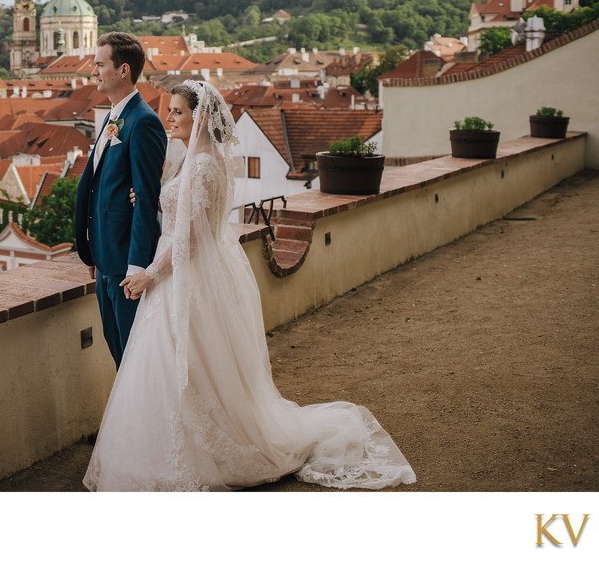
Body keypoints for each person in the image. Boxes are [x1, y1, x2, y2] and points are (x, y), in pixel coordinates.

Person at [84, 80, 416, 491]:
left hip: (185, 270)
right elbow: (182, 210)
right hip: (191, 267)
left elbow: (190, 234)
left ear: (199, 116)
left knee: (190, 361)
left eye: (177, 112)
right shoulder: (196, 157)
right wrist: (152, 201)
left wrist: (152, 273)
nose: (169, 118)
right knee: (185, 363)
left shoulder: (204, 164)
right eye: (170, 111)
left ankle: (206, 449)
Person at [75, 32, 167, 368]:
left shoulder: (143, 122)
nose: (94, 71)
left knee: (135, 361)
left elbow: (145, 198)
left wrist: (138, 266)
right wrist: (93, 250)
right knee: (119, 354)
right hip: (105, 261)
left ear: (123, 70)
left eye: (100, 65)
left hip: (127, 266)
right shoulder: (114, 116)